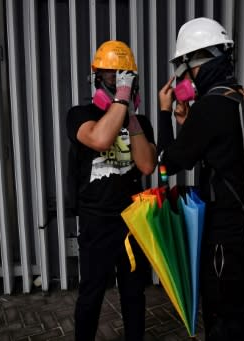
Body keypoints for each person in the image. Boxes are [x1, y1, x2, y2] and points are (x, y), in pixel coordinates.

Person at [157, 17, 244, 340]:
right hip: (243, 229)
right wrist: (188, 122)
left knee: (223, 319)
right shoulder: (238, 96)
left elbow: (167, 163)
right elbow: (215, 153)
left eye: (185, 67)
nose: (184, 77)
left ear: (197, 61)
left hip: (221, 236)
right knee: (236, 310)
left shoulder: (209, 106)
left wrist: (164, 112)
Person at [66, 40, 157, 341]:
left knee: (133, 293)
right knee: (91, 293)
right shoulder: (80, 115)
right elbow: (101, 139)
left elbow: (146, 165)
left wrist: (129, 113)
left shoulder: (138, 121)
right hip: (96, 222)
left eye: (123, 76)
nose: (117, 83)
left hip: (131, 221)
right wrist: (120, 100)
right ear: (97, 77)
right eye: (110, 76)